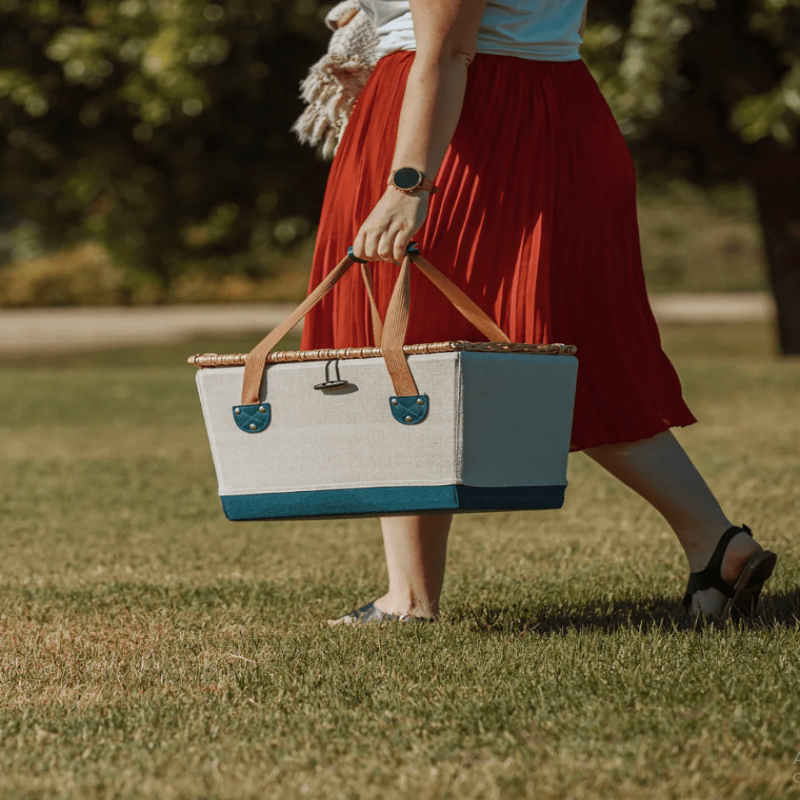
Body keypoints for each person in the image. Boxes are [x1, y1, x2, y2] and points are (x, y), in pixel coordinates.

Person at [298, 0, 778, 625]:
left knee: (410, 348)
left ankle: (410, 599)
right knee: (567, 356)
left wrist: (408, 184)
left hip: (472, 127)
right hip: (545, 106)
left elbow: (447, 50)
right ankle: (716, 544)